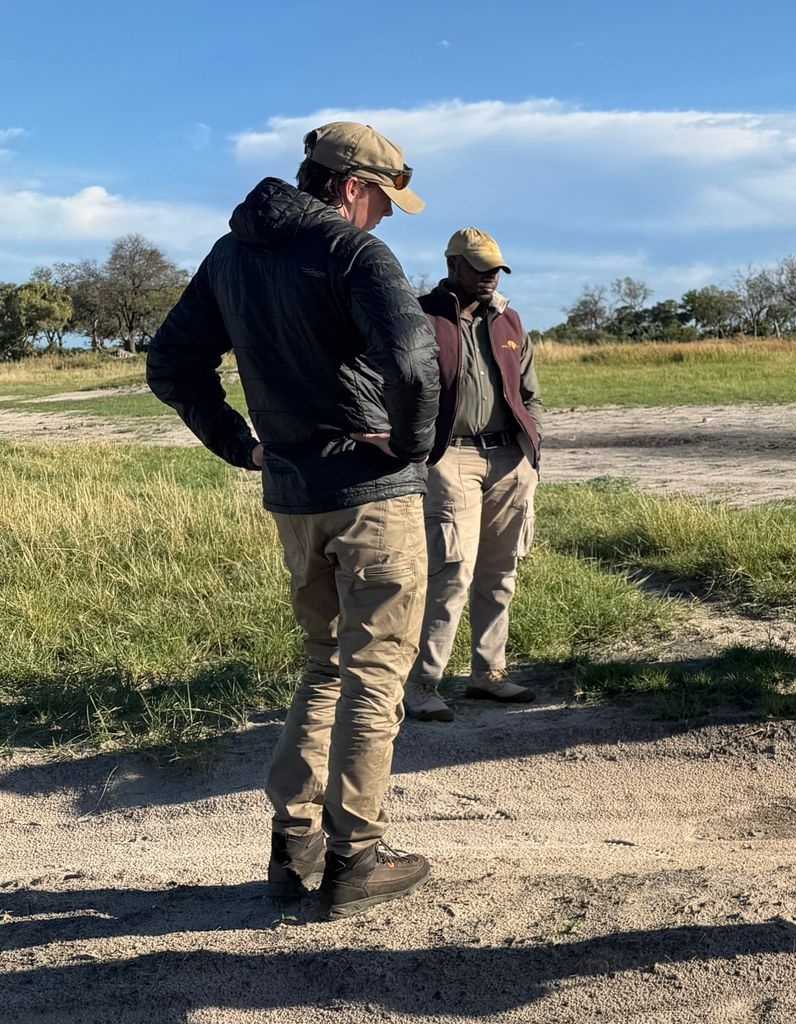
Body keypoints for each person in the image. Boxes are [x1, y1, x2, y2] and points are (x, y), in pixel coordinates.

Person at [146, 122, 438, 920]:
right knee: (376, 671)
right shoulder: (354, 254)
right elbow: (414, 362)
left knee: (325, 663)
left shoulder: (230, 256)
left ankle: (295, 842)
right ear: (351, 187)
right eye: (381, 200)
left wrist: (241, 447)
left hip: (294, 498)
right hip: (372, 499)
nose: (383, 217)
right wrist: (411, 449)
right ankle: (357, 858)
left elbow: (171, 364)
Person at [404, 228, 543, 722]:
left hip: (509, 458)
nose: (489, 277)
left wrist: (532, 449)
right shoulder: (421, 316)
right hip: (449, 458)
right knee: (451, 572)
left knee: (500, 573)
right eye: (480, 267)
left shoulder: (509, 319)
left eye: (495, 269)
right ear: (453, 265)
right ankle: (423, 684)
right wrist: (420, 450)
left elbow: (529, 392)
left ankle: (489, 674)